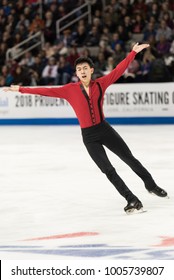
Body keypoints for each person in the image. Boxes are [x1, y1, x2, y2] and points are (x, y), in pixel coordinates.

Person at [3, 43, 168, 214]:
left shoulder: (100, 84)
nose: (82, 71)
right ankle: (131, 199)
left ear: (91, 70)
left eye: (85, 68)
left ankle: (151, 185)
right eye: (79, 69)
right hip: (89, 137)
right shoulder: (69, 90)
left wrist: (133, 53)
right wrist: (20, 89)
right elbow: (46, 91)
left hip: (105, 130)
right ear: (76, 73)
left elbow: (118, 70)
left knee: (129, 158)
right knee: (108, 170)